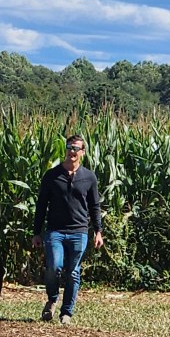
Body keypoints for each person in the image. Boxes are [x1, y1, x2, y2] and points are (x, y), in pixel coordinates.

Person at [31, 134, 104, 325]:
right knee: (54, 267)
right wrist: (36, 232)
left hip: (79, 231)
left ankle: (67, 312)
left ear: (83, 152)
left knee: (73, 272)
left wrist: (98, 231)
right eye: (69, 147)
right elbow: (41, 205)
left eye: (76, 148)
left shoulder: (89, 177)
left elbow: (94, 206)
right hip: (55, 231)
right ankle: (52, 299)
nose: (72, 151)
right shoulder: (52, 175)